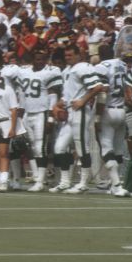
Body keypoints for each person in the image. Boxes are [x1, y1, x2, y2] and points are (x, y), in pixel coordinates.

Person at [50, 45, 104, 194]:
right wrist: (56, 106)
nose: (68, 58)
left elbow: (98, 87)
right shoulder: (68, 70)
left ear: (79, 55)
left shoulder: (83, 67)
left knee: (82, 148)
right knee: (59, 148)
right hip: (69, 112)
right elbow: (67, 96)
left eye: (70, 55)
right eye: (66, 56)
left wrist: (83, 101)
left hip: (80, 112)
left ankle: (83, 183)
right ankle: (65, 181)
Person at [15, 51, 63, 192]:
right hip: (28, 113)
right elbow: (22, 95)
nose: (40, 61)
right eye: (37, 59)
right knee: (32, 146)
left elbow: (53, 95)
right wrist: (21, 113)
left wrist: (50, 117)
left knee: (40, 147)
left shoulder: (49, 73)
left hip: (41, 113)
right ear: (33, 59)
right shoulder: (24, 73)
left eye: (42, 59)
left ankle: (40, 181)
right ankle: (40, 178)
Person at [93, 45, 130, 197]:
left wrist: (97, 117)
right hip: (122, 109)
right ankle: (115, 181)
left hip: (108, 110)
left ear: (100, 55)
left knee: (106, 149)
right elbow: (127, 87)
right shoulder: (122, 64)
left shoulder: (102, 66)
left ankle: (116, 184)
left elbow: (103, 92)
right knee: (118, 150)